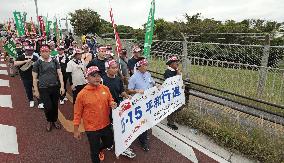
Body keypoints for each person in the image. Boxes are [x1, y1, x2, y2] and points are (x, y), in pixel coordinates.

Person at [73, 66, 117, 163]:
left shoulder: (105, 88)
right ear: (87, 77)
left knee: (109, 143)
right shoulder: (82, 94)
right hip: (92, 129)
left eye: (98, 75)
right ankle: (97, 152)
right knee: (94, 151)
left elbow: (110, 100)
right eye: (93, 75)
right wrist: (76, 130)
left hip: (106, 124)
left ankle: (100, 149)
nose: (97, 78)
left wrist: (112, 103)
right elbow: (77, 113)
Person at [102, 59, 136, 158]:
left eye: (116, 68)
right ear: (107, 69)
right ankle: (109, 143)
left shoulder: (118, 79)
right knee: (107, 127)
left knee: (119, 127)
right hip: (106, 108)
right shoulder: (102, 81)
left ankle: (122, 147)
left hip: (117, 108)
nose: (116, 70)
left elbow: (121, 91)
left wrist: (126, 96)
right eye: (113, 68)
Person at [32, 45, 65, 132]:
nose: (44, 53)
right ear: (40, 52)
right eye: (42, 51)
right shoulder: (37, 63)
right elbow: (34, 78)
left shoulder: (54, 61)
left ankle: (54, 120)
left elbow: (60, 73)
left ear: (49, 52)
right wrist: (36, 90)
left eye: (46, 51)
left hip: (55, 86)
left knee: (55, 105)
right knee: (48, 106)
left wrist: (62, 86)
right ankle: (49, 121)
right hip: (43, 88)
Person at [128, 57, 155, 152]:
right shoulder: (133, 77)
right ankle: (143, 141)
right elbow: (129, 90)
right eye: (144, 65)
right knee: (142, 121)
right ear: (139, 67)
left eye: (146, 65)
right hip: (139, 104)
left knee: (147, 120)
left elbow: (152, 83)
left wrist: (157, 87)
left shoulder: (148, 74)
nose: (146, 67)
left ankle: (142, 135)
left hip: (149, 102)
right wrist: (136, 90)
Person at [164, 55, 182, 130]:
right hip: (170, 93)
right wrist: (178, 74)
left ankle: (171, 120)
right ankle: (170, 122)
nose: (177, 64)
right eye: (175, 62)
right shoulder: (168, 72)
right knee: (172, 107)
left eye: (177, 62)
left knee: (177, 107)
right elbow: (172, 82)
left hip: (176, 92)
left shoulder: (175, 71)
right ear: (171, 64)